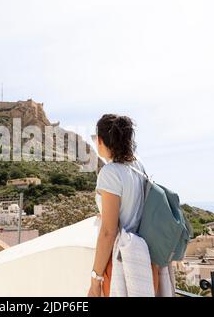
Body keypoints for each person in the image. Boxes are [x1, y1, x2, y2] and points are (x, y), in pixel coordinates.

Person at [87, 114, 159, 297]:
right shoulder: (137, 164)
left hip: (121, 261)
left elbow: (108, 232)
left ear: (101, 140)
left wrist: (95, 279)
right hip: (146, 257)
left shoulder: (110, 173)